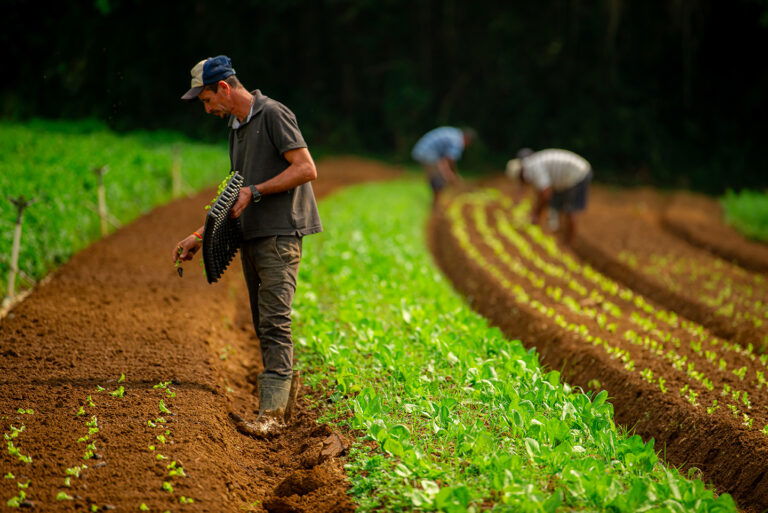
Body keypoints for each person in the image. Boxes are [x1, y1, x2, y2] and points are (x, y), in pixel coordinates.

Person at [172, 55, 322, 435]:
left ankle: (271, 416)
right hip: (252, 234)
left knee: (274, 321)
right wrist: (200, 234)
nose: (207, 109)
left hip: (280, 234)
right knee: (262, 322)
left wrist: (256, 191)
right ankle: (283, 404)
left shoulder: (272, 114)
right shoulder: (237, 128)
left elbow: (306, 168)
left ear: (224, 87)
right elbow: (233, 190)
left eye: (207, 100)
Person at [505, 148, 592, 244]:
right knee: (558, 205)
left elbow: (546, 193)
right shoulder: (531, 163)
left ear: (521, 175)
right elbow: (542, 192)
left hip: (578, 174)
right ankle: (561, 235)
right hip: (568, 176)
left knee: (570, 210)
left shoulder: (533, 167)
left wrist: (536, 214)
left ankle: (568, 243)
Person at [411, 126, 476, 204]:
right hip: (427, 153)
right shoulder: (457, 141)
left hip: (423, 151)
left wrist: (449, 173)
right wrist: (452, 174)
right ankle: (437, 203)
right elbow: (450, 160)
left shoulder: (453, 134)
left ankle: (437, 201)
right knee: (438, 178)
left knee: (439, 177)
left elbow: (444, 160)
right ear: (467, 139)